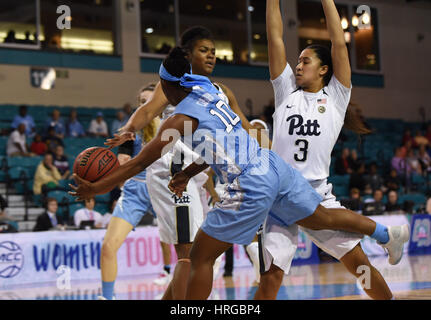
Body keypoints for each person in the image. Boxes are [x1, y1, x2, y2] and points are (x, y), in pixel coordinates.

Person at [70, 47, 409, 301]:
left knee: (200, 257)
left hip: (249, 183)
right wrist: (188, 172)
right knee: (321, 216)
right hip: (273, 166)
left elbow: (138, 163)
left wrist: (96, 186)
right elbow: (219, 144)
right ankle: (383, 231)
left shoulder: (179, 120)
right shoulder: (209, 88)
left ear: (169, 87)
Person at [103, 26, 264, 298]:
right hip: (174, 178)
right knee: (189, 256)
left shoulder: (220, 91)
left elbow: (248, 130)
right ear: (188, 54)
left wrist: (267, 149)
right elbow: (147, 110)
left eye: (214, 52)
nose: (211, 56)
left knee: (195, 258)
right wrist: (129, 128)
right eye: (204, 51)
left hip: (197, 177)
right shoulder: (173, 85)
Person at [253, 0, 396, 300]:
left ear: (324, 69)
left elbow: (338, 44)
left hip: (317, 194)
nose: (298, 65)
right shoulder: (285, 92)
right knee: (271, 278)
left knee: (360, 266)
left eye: (306, 61)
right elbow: (274, 35)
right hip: (279, 198)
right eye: (299, 60)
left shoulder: (336, 97)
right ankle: (383, 233)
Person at [98, 84, 161, 300]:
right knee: (108, 247)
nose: (145, 105)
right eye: (142, 102)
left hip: (165, 190)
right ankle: (107, 297)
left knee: (186, 250)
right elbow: (122, 160)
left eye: (150, 100)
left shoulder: (174, 126)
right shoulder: (131, 129)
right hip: (135, 191)